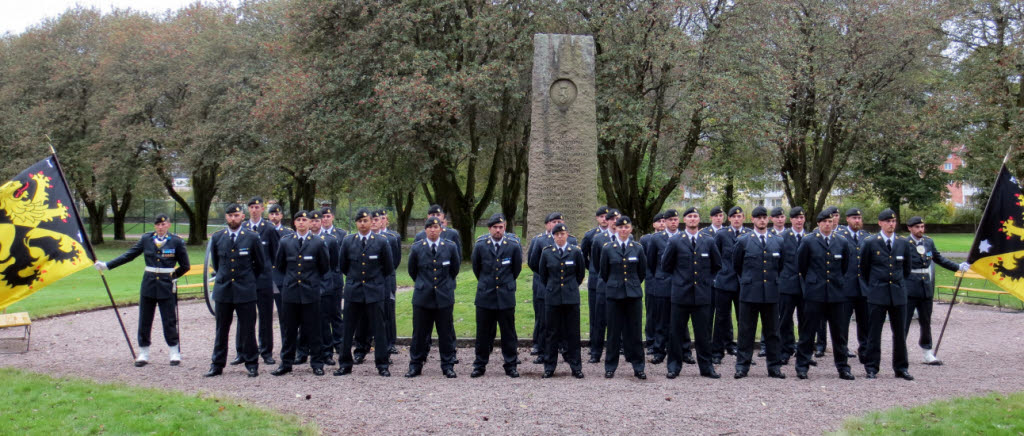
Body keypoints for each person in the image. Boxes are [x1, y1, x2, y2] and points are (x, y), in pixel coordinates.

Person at [95, 214, 190, 367]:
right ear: (155, 226)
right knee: (145, 319)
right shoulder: (146, 239)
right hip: (149, 283)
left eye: (163, 224)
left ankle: (174, 351)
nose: (160, 227)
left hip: (166, 284)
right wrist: (107, 265)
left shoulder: (177, 241)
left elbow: (185, 266)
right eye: (158, 224)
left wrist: (172, 276)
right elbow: (129, 255)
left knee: (169, 320)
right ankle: (144, 352)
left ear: (168, 225)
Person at [661, 207, 723, 379]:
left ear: (699, 219)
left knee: (703, 334)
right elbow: (665, 265)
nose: (693, 219)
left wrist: (706, 281)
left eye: (696, 216)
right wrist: (679, 280)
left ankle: (706, 367)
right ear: (684, 220)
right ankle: (674, 367)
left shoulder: (708, 241)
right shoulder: (675, 241)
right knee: (676, 333)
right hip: (681, 294)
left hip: (702, 295)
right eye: (690, 216)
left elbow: (717, 265)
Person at [205, 204, 266, 378]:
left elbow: (260, 265)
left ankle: (252, 363)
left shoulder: (252, 237)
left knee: (248, 329)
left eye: (236, 215)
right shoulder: (218, 237)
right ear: (226, 217)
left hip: (245, 290)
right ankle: (217, 364)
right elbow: (216, 264)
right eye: (230, 215)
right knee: (221, 329)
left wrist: (247, 280)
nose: (233, 218)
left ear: (242, 217)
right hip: (224, 290)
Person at [335, 208, 395, 377]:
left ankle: (382, 364)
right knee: (348, 329)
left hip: (374, 291)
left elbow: (388, 267)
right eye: (360, 221)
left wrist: (374, 282)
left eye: (366, 221)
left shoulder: (381, 242)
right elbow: (344, 266)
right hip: (354, 291)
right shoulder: (348, 241)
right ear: (356, 223)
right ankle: (345, 364)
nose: (363, 224)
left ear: (371, 222)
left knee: (379, 329)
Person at [795, 210, 854, 380]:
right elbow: (802, 266)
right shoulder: (808, 241)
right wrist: (812, 283)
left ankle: (843, 367)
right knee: (808, 332)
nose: (828, 224)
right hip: (815, 293)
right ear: (818, 223)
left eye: (830, 221)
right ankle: (802, 366)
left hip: (835, 293)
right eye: (824, 221)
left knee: (839, 333)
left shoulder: (841, 242)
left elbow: (844, 265)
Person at [271, 210, 331, 376]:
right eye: (299, 220)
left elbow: (324, 267)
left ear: (310, 222)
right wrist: (286, 285)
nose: (302, 223)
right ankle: (286, 363)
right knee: (289, 330)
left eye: (305, 220)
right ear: (295, 223)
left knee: (314, 330)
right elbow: (280, 266)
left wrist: (314, 285)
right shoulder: (285, 242)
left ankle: (317, 363)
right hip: (290, 293)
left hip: (310, 292)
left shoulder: (318, 242)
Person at [904, 216, 970, 365]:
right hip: (909, 288)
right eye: (917, 227)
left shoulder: (928, 242)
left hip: (925, 288)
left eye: (922, 227)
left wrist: (958, 267)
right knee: (904, 322)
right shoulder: (904, 243)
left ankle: (927, 352)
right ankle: (901, 352)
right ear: (910, 228)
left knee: (926, 322)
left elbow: (938, 259)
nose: (920, 230)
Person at [732, 206, 786, 379]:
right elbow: (737, 265)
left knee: (773, 332)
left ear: (768, 220)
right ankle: (742, 366)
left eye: (764, 217)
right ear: (753, 220)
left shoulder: (777, 241)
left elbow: (781, 265)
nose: (762, 220)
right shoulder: (743, 241)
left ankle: (774, 367)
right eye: (759, 217)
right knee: (746, 331)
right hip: (749, 292)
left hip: (770, 291)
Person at [859, 209, 914, 380]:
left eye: (893, 221)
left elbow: (907, 270)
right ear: (880, 223)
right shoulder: (870, 243)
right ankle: (871, 367)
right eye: (888, 221)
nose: (891, 224)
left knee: (900, 333)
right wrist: (873, 287)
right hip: (878, 293)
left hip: (897, 294)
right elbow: (864, 269)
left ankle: (901, 367)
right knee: (874, 332)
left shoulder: (903, 243)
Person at [405, 217, 461, 378]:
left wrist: (445, 286)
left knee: (445, 333)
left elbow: (454, 270)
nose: (432, 230)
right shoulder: (417, 248)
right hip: (423, 297)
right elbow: (413, 271)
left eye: (436, 227)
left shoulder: (450, 247)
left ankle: (448, 365)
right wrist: (424, 284)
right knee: (420, 334)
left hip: (444, 296)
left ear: (441, 229)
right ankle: (415, 365)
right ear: (425, 230)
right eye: (429, 227)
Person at [470, 214, 523, 378]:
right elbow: (476, 268)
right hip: (486, 295)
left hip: (506, 295)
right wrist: (488, 284)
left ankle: (511, 365)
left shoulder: (513, 245)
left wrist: (505, 285)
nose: (498, 230)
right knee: (483, 334)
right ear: (489, 229)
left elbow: (516, 269)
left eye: (501, 227)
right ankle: (480, 365)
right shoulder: (480, 245)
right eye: (495, 227)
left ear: (505, 227)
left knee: (508, 333)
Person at [536, 222, 586, 378]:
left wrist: (570, 287)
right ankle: (549, 367)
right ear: (553, 237)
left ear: (567, 235)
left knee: (573, 333)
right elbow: (543, 276)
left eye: (562, 234)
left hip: (571, 297)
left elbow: (580, 274)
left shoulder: (575, 252)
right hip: (552, 297)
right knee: (551, 333)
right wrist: (554, 287)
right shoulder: (547, 252)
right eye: (557, 235)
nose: (560, 237)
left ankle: (576, 367)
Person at [600, 215, 648, 379]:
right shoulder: (608, 248)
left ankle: (638, 367)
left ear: (631, 229)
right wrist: (616, 284)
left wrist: (632, 285)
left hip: (633, 295)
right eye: (620, 227)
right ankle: (610, 367)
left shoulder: (638, 248)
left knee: (634, 332)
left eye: (626, 227)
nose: (624, 230)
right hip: (614, 294)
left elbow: (642, 272)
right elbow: (604, 272)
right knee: (613, 332)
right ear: (616, 229)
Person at [234, 196, 279, 366]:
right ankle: (242, 351)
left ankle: (266, 351)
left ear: (262, 209)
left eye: (257, 207)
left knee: (266, 317)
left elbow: (275, 256)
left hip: (263, 280)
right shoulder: (242, 227)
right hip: (244, 279)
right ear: (248, 209)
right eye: (251, 207)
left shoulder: (269, 229)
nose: (254, 210)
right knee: (243, 317)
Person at [527, 212, 577, 361]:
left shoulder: (572, 240)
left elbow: (577, 265)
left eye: (559, 221)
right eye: (553, 221)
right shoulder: (539, 240)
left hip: (565, 287)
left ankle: (565, 349)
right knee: (544, 320)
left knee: (565, 321)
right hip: (545, 286)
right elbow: (533, 262)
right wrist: (548, 279)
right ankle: (542, 349)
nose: (556, 224)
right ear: (547, 224)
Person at [711, 206, 749, 363]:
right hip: (725, 282)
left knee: (745, 320)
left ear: (744, 218)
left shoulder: (749, 235)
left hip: (744, 283)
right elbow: (715, 257)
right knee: (721, 318)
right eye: (734, 216)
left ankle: (743, 353)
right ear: (730, 219)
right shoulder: (721, 235)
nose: (737, 219)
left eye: (740, 216)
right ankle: (717, 353)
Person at [644, 210, 679, 364]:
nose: (672, 222)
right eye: (669, 220)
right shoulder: (656, 238)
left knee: (679, 321)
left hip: (679, 284)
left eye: (675, 219)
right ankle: (659, 351)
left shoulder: (683, 237)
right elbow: (651, 263)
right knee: (661, 320)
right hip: (662, 283)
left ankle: (681, 350)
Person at [837, 208, 870, 362]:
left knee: (864, 322)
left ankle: (864, 351)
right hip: (846, 287)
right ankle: (842, 350)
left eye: (859, 217)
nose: (857, 221)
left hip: (863, 287)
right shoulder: (840, 237)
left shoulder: (866, 237)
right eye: (854, 218)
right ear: (847, 220)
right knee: (842, 323)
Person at [588, 208, 621, 362]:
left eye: (617, 219)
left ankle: (618, 349)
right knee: (599, 320)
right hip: (603, 284)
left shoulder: (626, 237)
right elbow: (595, 262)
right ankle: (596, 353)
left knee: (618, 319)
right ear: (607, 221)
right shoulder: (599, 239)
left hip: (620, 284)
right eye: (612, 219)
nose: (615, 222)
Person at [777, 207, 807, 364]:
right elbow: (779, 262)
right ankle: (786, 349)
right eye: (796, 218)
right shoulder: (783, 237)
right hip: (787, 284)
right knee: (785, 319)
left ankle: (803, 352)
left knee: (806, 320)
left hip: (806, 286)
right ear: (791, 220)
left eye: (801, 218)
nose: (799, 220)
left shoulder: (810, 237)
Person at [581, 206, 610, 363]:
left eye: (607, 216)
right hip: (596, 278)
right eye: (601, 216)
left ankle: (616, 344)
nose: (604, 219)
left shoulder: (619, 234)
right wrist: (591, 268)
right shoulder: (591, 235)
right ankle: (594, 344)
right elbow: (584, 254)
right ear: (597, 218)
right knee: (596, 315)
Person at [318, 206, 345, 365]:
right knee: (322, 315)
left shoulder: (340, 234)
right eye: (323, 217)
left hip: (335, 278)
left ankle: (339, 344)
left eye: (328, 216)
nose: (325, 219)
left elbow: (340, 258)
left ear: (333, 217)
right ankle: (323, 346)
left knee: (335, 313)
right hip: (320, 279)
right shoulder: (316, 236)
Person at [640, 212, 664, 353]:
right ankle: (651, 341)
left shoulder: (671, 238)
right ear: (653, 224)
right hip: (651, 279)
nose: (661, 223)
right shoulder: (646, 239)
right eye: (658, 221)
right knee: (652, 312)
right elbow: (643, 261)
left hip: (666, 281)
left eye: (663, 221)